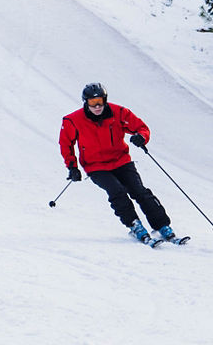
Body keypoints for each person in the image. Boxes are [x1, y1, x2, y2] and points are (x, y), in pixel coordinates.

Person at [59, 82, 177, 244]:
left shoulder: (119, 112)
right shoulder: (73, 120)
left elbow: (141, 127)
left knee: (139, 191)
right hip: (96, 166)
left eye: (100, 101)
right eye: (93, 103)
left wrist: (141, 137)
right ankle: (134, 225)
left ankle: (162, 226)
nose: (97, 106)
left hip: (121, 161)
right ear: (85, 102)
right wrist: (72, 166)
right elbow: (65, 143)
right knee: (117, 191)